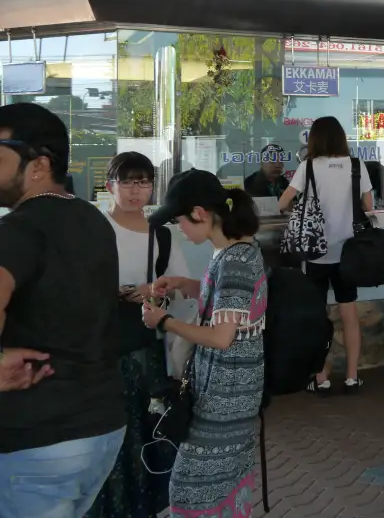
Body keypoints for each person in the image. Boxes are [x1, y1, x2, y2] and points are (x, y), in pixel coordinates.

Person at [0, 103, 125, 517]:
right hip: (100, 427)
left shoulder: (19, 229)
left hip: (38, 437)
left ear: (37, 165)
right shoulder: (94, 220)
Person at [141, 169, 267, 518]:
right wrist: (187, 283)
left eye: (180, 220)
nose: (179, 228)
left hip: (226, 397)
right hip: (233, 392)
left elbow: (221, 336)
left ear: (199, 213)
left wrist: (164, 321)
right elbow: (231, 306)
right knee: (224, 479)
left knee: (189, 490)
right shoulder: (236, 250)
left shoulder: (234, 262)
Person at [86, 152, 192, 518]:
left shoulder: (161, 235)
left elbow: (179, 290)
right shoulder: (94, 229)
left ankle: (143, 505)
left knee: (145, 429)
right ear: (110, 184)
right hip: (101, 350)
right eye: (127, 181)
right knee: (107, 433)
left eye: (143, 182)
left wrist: (154, 289)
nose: (135, 190)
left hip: (145, 349)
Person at [279, 117, 372, 395]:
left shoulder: (308, 167)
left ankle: (321, 377)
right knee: (349, 314)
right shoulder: (356, 166)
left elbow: (284, 202)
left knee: (319, 317)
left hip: (315, 252)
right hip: (348, 253)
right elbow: (368, 204)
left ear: (315, 140)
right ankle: (353, 376)